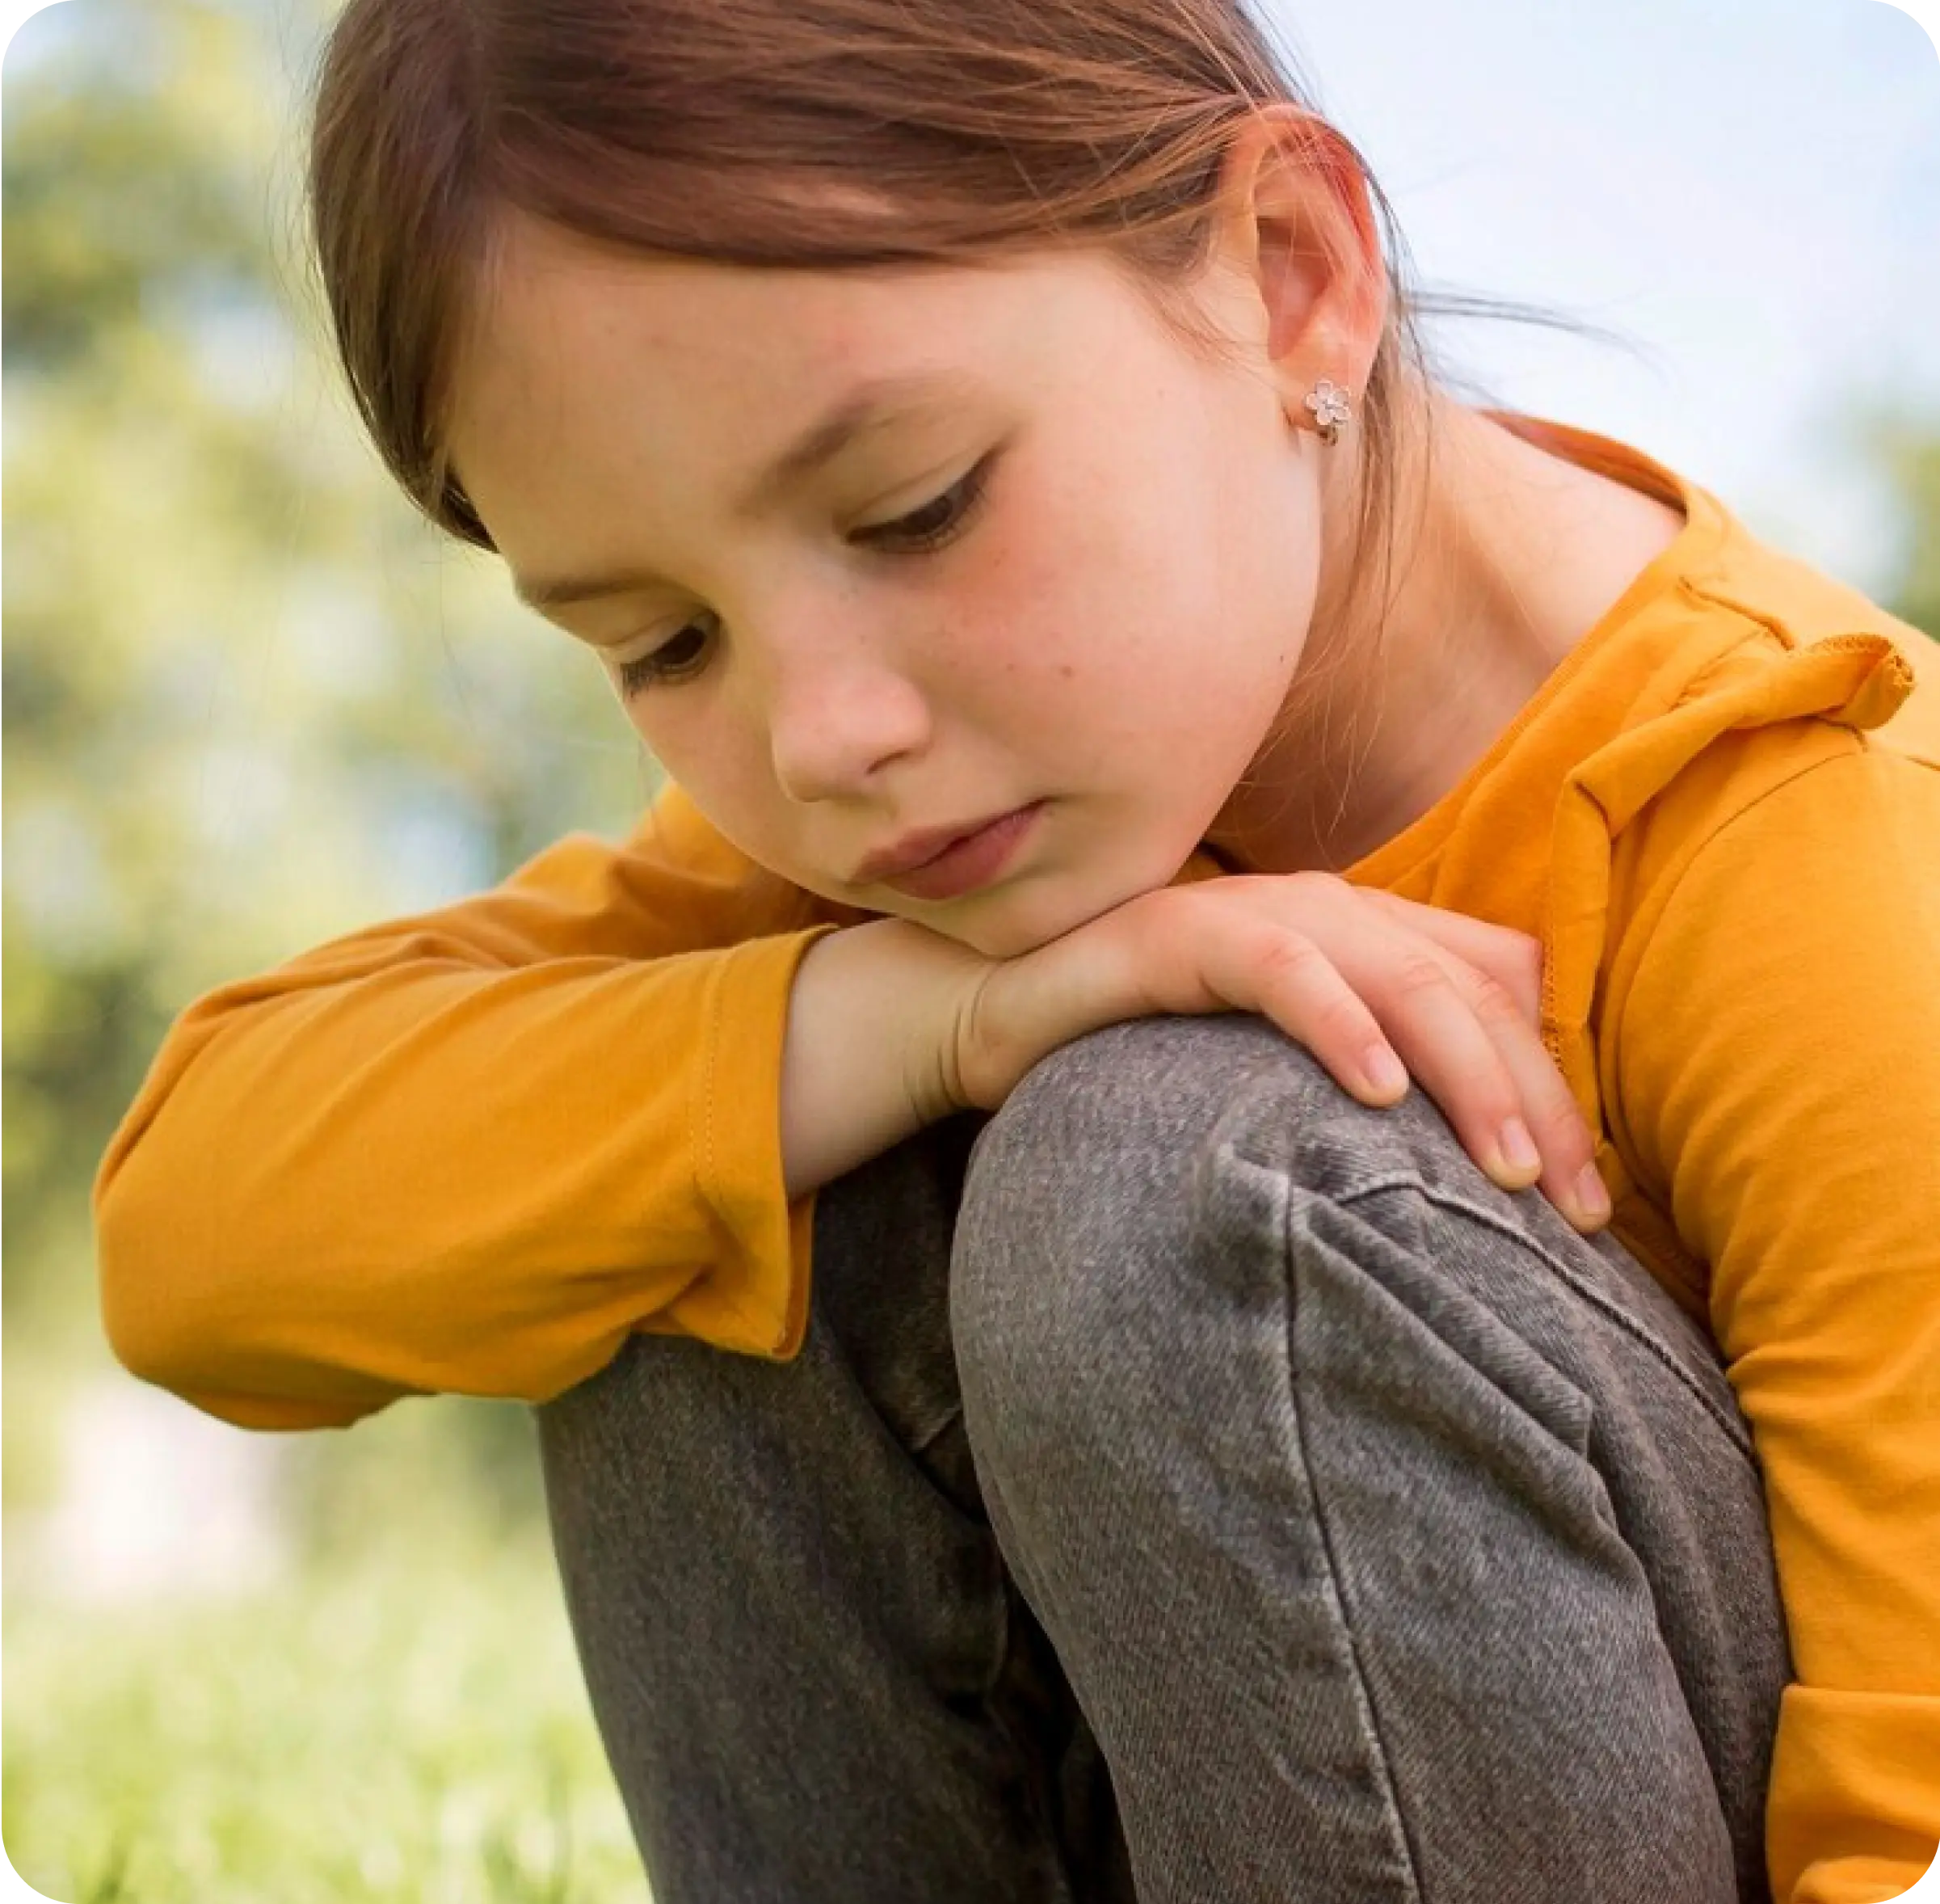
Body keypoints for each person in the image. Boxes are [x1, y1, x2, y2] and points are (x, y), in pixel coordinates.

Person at [93, 1, 1938, 1899]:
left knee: (1177, 1180)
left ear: (1292, 278)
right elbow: (186, 1244)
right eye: (661, 642)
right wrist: (942, 1016)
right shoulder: (906, 845)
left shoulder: (1810, 830)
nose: (821, 739)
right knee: (663, 1171)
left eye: (915, 509)